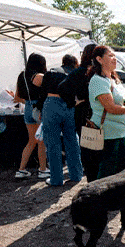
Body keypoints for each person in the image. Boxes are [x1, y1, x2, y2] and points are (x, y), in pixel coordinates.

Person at [84, 45, 125, 181]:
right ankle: (99, 201)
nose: (114, 59)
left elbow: (124, 100)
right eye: (110, 56)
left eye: (114, 56)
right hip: (106, 134)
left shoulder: (114, 80)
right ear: (99, 59)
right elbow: (111, 107)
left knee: (123, 169)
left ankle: (114, 200)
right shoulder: (97, 80)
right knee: (106, 172)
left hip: (120, 132)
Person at [31, 54, 83, 186]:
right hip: (69, 106)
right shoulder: (76, 74)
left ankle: (56, 179)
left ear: (62, 62)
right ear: (75, 63)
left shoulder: (52, 72)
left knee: (53, 144)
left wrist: (41, 109)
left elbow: (42, 92)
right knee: (72, 141)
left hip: (51, 105)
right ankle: (76, 175)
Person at [13, 53, 49, 179]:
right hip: (39, 109)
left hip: (28, 108)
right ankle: (43, 169)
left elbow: (17, 98)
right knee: (41, 141)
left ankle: (21, 170)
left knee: (31, 141)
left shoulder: (21, 75)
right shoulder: (40, 76)